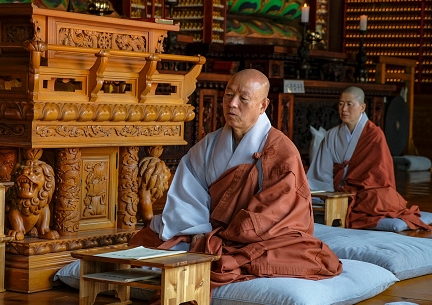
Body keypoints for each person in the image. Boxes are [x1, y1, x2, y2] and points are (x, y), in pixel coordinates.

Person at [130, 69, 342, 290]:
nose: (232, 104)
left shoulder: (281, 150)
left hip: (256, 237)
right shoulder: (210, 144)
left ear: (263, 105)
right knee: (142, 243)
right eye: (229, 95)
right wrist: (197, 231)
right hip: (206, 231)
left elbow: (276, 212)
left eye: (243, 99)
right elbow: (188, 191)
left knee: (298, 256)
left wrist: (219, 238)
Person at [307, 86, 429, 230]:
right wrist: (328, 192)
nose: (344, 109)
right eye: (341, 104)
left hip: (364, 189)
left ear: (362, 107)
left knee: (380, 198)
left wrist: (353, 188)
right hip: (337, 188)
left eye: (349, 104)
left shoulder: (374, 135)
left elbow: (379, 174)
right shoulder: (332, 135)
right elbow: (322, 171)